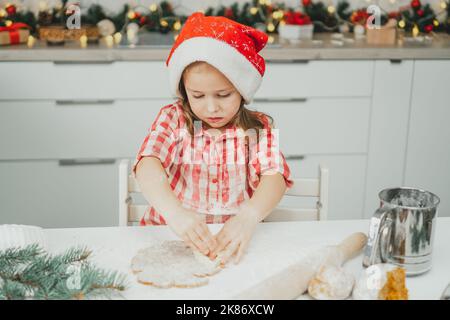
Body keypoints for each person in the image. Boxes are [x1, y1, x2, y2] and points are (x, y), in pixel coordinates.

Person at [133, 12, 293, 266]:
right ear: (184, 91)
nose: (211, 108)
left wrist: (249, 217)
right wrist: (175, 214)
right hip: (172, 238)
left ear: (242, 89)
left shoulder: (257, 127)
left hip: (235, 241)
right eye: (198, 96)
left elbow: (275, 176)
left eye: (223, 95)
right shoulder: (173, 119)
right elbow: (147, 163)